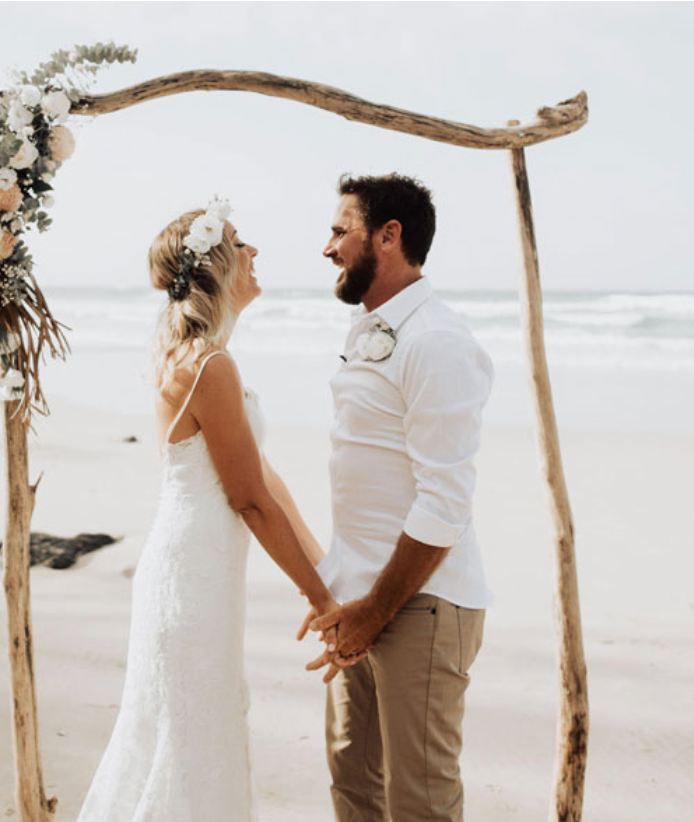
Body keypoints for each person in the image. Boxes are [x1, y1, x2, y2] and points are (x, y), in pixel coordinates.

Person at [76, 199, 345, 822]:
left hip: (201, 572)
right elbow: (248, 499)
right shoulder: (209, 365)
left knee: (198, 733)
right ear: (218, 265)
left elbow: (268, 483)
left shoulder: (207, 358)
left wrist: (323, 574)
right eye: (241, 243)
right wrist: (322, 600)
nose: (254, 253)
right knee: (191, 739)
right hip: (191, 578)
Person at [303, 174, 494, 822]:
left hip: (420, 602)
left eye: (339, 231)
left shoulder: (436, 340)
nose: (326, 248)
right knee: (353, 784)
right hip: (360, 597)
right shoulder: (371, 329)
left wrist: (376, 611)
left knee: (420, 802)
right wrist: (343, 600)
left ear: (389, 236)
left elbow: (445, 502)